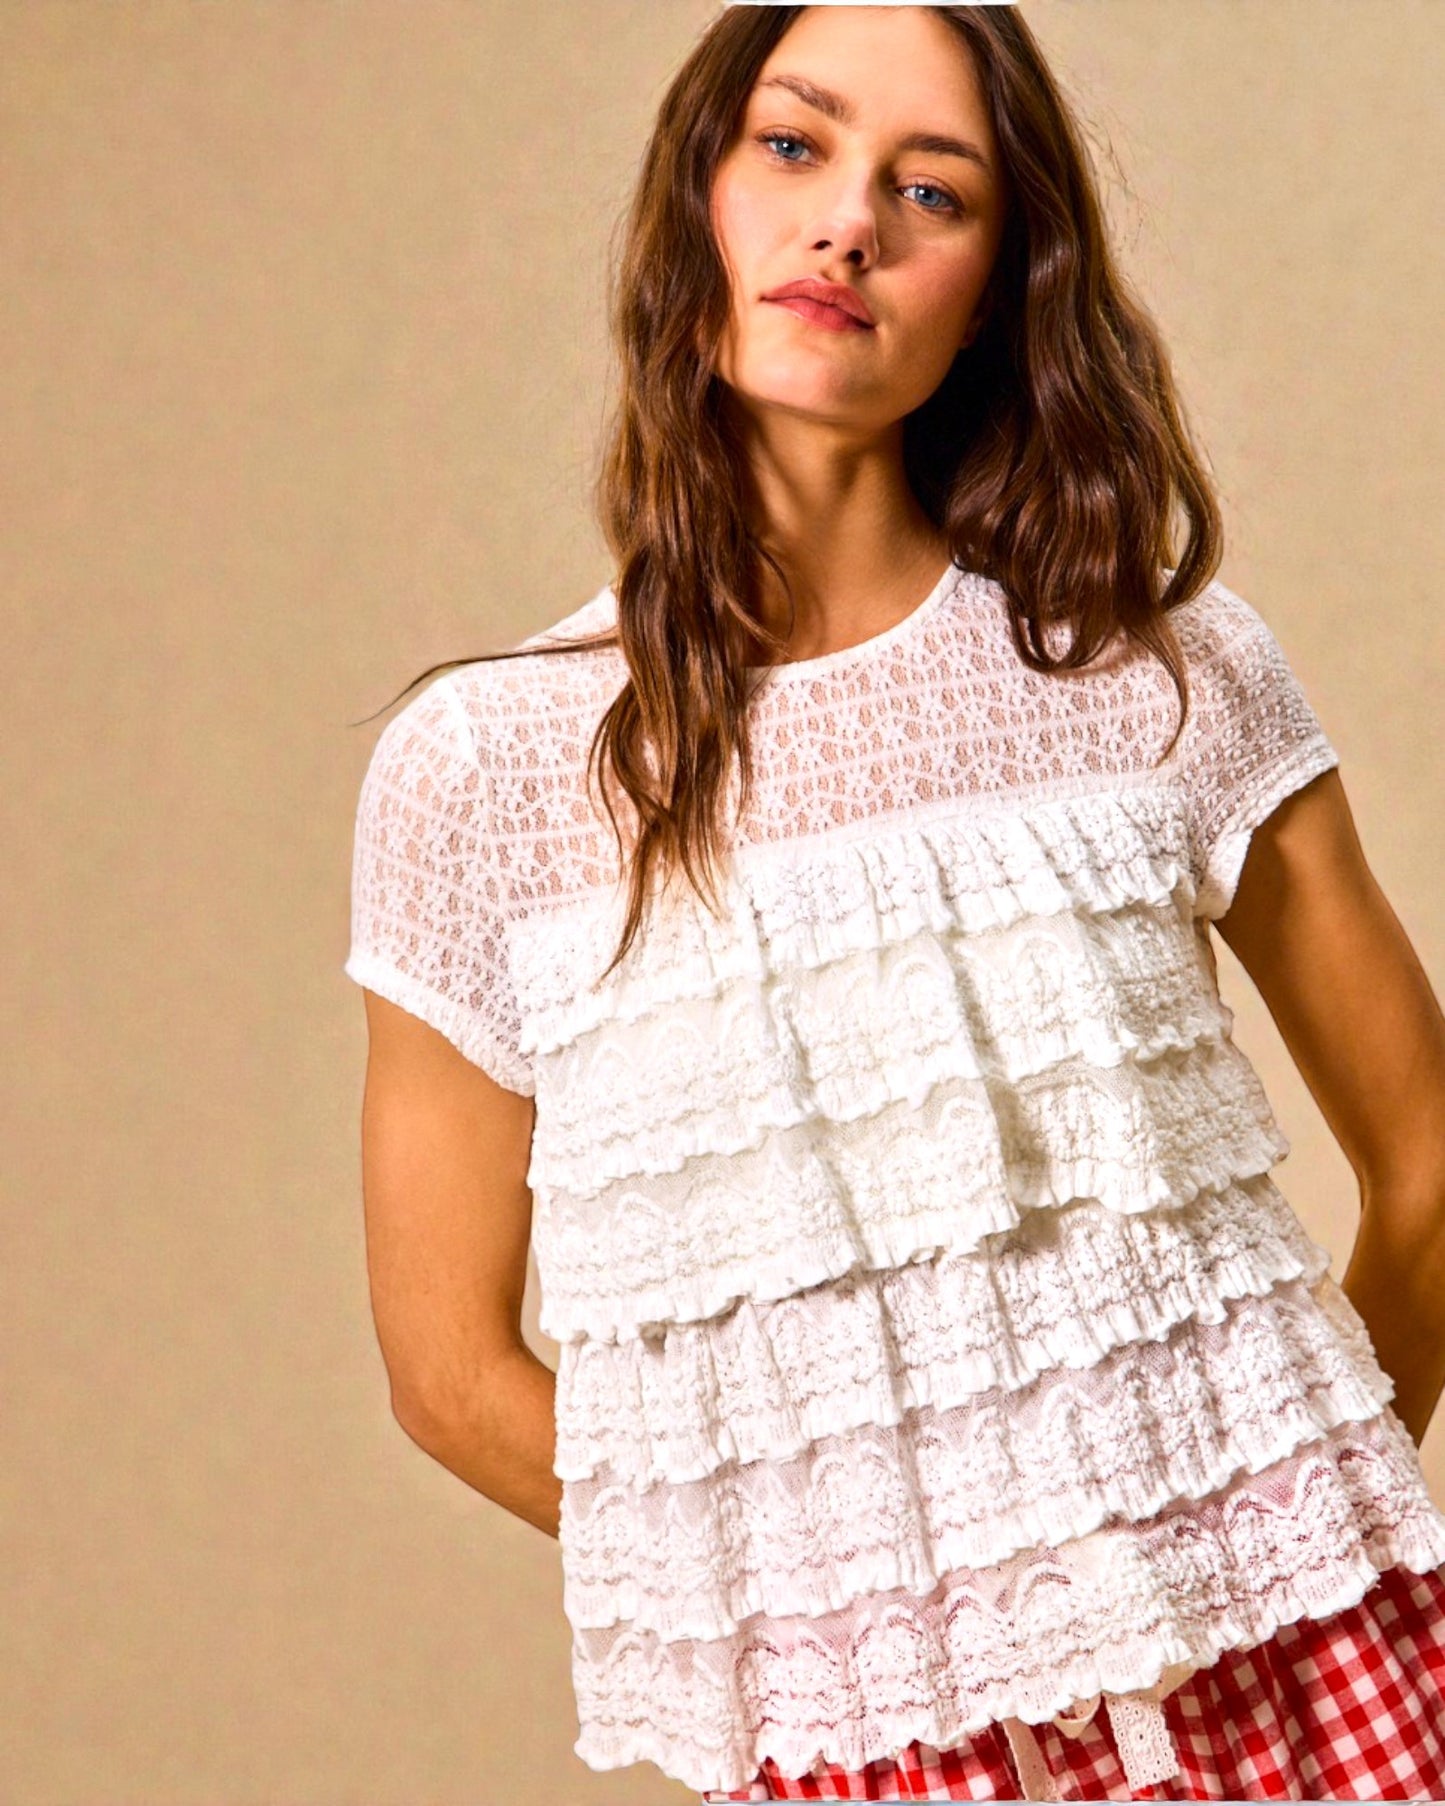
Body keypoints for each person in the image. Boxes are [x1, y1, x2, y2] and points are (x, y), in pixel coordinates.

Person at [343, 4, 1445, 1799]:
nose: (846, 221)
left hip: (1302, 1678)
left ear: (1000, 287)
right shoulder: (488, 772)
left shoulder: (1161, 675)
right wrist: (827, 1597)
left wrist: (1272, 1510)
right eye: (793, 147)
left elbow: (1432, 1154)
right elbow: (449, 1368)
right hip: (866, 1743)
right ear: (691, 202)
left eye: (928, 191)